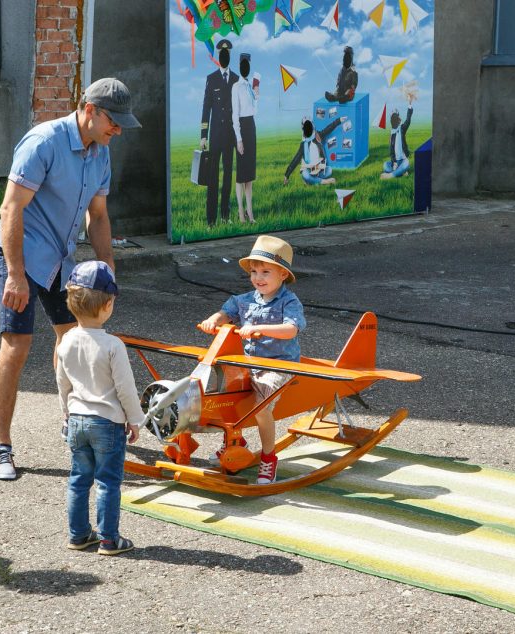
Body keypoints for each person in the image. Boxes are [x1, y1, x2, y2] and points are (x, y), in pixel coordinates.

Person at [0, 78, 141, 481]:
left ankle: (71, 420)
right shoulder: (44, 141)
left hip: (60, 258)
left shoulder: (100, 152)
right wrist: (16, 275)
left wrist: (107, 270)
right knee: (17, 345)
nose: (118, 130)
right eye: (113, 121)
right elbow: (10, 208)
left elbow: (99, 215)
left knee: (72, 339)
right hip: (18, 252)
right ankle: (0, 447)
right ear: (89, 109)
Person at [198, 235, 305, 484]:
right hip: (248, 361)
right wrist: (215, 320)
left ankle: (269, 458)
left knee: (261, 407)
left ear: (283, 275)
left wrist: (262, 329)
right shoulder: (244, 299)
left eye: (266, 271)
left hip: (278, 363)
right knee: (220, 392)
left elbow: (291, 329)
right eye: (254, 271)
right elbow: (227, 312)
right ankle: (236, 441)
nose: (258, 277)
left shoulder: (289, 302)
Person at [56, 261, 143, 556]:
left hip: (77, 419)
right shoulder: (113, 345)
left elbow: (62, 383)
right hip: (107, 422)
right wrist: (136, 420)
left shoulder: (66, 340)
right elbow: (125, 389)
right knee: (107, 482)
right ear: (107, 305)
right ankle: (109, 538)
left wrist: (66, 414)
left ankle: (79, 535)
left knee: (79, 479)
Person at [200, 39, 238, 226]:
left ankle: (225, 215)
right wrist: (203, 137)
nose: (224, 56)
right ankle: (211, 220)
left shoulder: (237, 79)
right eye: (222, 53)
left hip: (230, 136)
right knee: (212, 178)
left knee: (228, 176)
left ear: (229, 55)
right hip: (215, 136)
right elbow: (206, 108)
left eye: (227, 53)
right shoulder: (211, 78)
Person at [231, 53, 258, 224]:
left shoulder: (249, 86)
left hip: (251, 127)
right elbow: (235, 115)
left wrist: (257, 95)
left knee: (249, 176)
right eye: (243, 64)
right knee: (241, 176)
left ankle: (250, 212)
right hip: (241, 127)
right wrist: (239, 139)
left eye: (247, 63)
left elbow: (254, 111)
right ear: (240, 67)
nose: (245, 67)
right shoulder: (236, 87)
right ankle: (241, 212)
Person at [283, 116, 348, 186]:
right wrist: (287, 175)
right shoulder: (303, 144)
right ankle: (324, 181)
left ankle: (311, 181)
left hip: (319, 168)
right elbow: (296, 160)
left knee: (329, 170)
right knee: (305, 175)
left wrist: (338, 120)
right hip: (308, 170)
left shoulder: (318, 136)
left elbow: (328, 129)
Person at [381, 93, 416, 180]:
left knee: (407, 163)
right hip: (396, 162)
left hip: (403, 160)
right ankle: (401, 172)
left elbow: (408, 120)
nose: (394, 120)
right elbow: (391, 152)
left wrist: (410, 104)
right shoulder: (392, 135)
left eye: (395, 117)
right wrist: (394, 163)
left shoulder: (402, 129)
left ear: (398, 118)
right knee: (385, 165)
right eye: (393, 118)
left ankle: (391, 175)